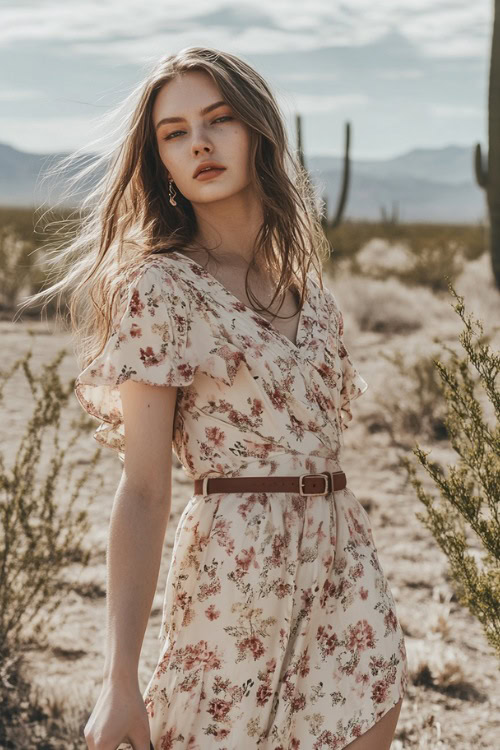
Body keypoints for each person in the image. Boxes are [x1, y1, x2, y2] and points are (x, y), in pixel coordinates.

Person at [34, 46, 408, 749]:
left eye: (218, 119)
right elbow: (144, 490)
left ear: (258, 130)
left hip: (345, 571)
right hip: (235, 579)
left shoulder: (310, 294)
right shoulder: (163, 290)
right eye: (174, 133)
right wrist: (120, 679)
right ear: (162, 161)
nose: (198, 142)